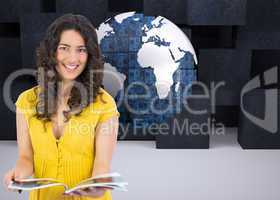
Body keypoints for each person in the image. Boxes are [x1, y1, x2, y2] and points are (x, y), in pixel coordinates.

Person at [3, 13, 120, 200]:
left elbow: (102, 164)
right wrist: (18, 174)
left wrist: (98, 184)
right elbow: (26, 159)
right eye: (64, 48)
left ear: (89, 55)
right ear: (51, 51)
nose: (72, 58)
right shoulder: (26, 102)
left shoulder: (104, 104)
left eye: (81, 49)